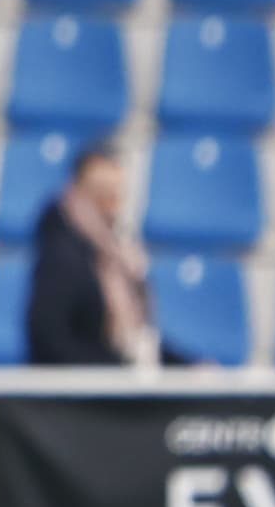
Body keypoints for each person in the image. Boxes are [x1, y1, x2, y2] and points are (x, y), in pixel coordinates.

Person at [27, 144, 188, 367]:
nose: (111, 204)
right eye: (101, 193)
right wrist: (118, 368)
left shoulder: (121, 255)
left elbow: (140, 338)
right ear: (79, 191)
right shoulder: (61, 256)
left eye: (115, 193)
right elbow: (49, 341)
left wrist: (188, 367)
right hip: (82, 384)